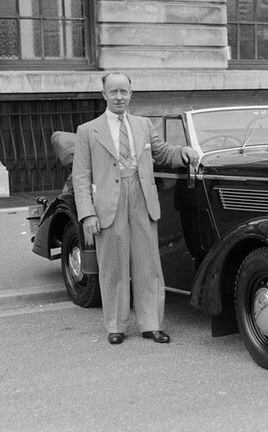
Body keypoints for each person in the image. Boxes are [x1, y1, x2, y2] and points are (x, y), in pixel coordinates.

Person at [72, 72, 199, 346]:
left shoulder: (143, 125)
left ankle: (151, 325)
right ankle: (116, 326)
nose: (119, 97)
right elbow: (81, 177)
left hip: (142, 200)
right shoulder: (88, 131)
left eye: (124, 92)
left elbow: (162, 153)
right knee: (113, 267)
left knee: (148, 266)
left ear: (131, 94)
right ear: (103, 94)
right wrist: (88, 213)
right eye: (114, 91)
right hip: (108, 205)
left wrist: (183, 152)